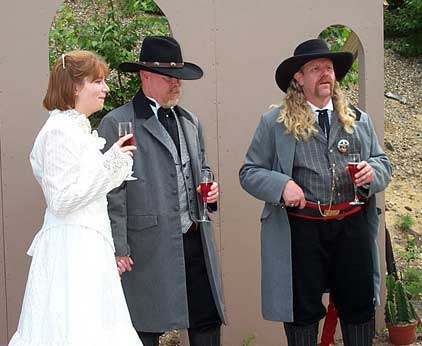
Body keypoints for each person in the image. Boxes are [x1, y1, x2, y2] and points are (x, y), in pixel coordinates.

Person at [239, 39, 392, 346]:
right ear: (299, 77)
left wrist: (373, 173)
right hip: (301, 228)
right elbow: (249, 172)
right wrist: (281, 185)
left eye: (329, 68)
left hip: (352, 225)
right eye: (316, 69)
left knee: (358, 306)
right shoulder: (275, 123)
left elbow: (383, 163)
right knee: (301, 311)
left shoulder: (359, 120)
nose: (325, 74)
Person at [8, 50, 143, 346]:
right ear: (74, 86)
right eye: (98, 81)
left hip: (89, 246)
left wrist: (112, 163)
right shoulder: (58, 132)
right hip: (72, 251)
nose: (106, 88)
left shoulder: (74, 128)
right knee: (73, 329)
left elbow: (86, 187)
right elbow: (61, 199)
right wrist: (110, 164)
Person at [98, 36, 225, 346]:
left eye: (178, 77)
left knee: (206, 320)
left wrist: (210, 189)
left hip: (195, 237)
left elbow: (202, 167)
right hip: (145, 246)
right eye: (169, 77)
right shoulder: (116, 123)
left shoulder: (190, 121)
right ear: (145, 76)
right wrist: (118, 247)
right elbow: (109, 194)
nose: (176, 84)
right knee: (143, 328)